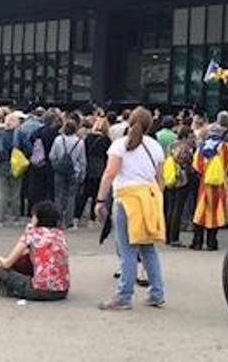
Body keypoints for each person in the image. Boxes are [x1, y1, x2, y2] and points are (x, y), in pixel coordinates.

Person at [95, 106, 166, 310]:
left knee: (127, 249)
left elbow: (109, 173)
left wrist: (100, 200)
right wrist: (156, 196)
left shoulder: (120, 145)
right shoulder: (155, 146)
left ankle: (124, 295)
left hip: (126, 199)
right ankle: (157, 292)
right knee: (147, 247)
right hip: (149, 198)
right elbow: (160, 178)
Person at [0, 201, 70, 301]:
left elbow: (8, 263)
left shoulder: (32, 233)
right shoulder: (60, 234)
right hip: (62, 291)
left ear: (37, 218)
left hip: (39, 290)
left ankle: (11, 289)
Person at [190, 124, 228, 251]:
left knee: (200, 212)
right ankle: (211, 242)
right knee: (216, 212)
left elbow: (196, 165)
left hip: (204, 184)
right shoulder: (225, 147)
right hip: (219, 184)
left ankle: (197, 241)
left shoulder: (202, 147)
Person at [0, 111, 27, 225]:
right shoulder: (19, 134)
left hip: (1, 164)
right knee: (16, 192)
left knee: (3, 192)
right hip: (16, 165)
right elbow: (28, 147)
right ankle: (16, 218)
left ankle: (2, 219)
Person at [50, 119, 86, 229]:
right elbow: (82, 160)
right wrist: (82, 173)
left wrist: (56, 164)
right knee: (71, 196)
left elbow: (52, 156)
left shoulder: (58, 140)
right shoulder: (80, 142)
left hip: (60, 171)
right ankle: (69, 221)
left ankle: (58, 221)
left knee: (59, 196)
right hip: (74, 171)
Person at [165, 126, 196, 246]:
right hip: (181, 181)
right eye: (190, 137)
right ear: (185, 137)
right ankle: (174, 237)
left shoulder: (172, 145)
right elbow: (187, 164)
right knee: (178, 209)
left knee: (170, 208)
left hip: (171, 179)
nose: (192, 139)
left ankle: (168, 236)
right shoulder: (184, 148)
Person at [79, 116, 112, 228]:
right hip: (100, 168)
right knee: (96, 194)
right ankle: (93, 218)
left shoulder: (88, 138)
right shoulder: (106, 140)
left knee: (84, 194)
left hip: (89, 167)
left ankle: (76, 216)